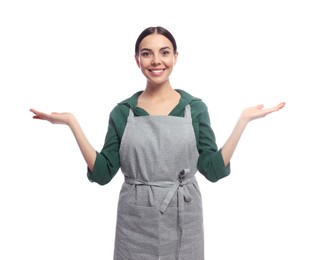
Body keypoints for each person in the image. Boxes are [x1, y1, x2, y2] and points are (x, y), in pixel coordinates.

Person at [30, 26, 285, 260]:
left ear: (175, 56)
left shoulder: (194, 109)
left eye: (164, 52)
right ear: (137, 60)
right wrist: (72, 124)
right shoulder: (123, 112)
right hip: (135, 220)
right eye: (146, 53)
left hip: (184, 214)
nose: (156, 61)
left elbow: (213, 170)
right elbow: (102, 173)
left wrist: (243, 121)